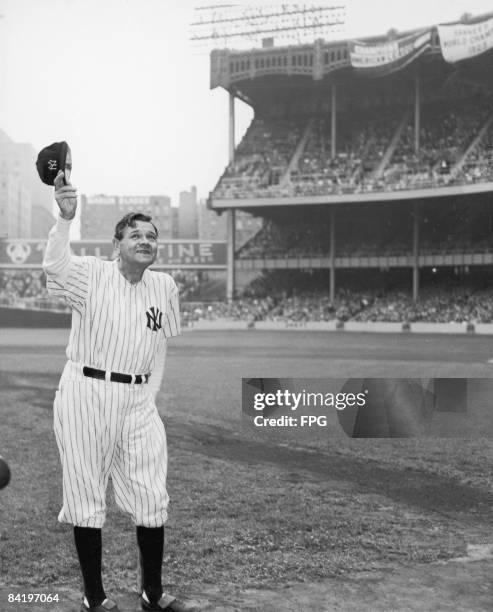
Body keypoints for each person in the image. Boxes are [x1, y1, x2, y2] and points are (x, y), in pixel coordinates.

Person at [43, 171, 197, 612]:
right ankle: (95, 597)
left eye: (152, 236)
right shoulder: (92, 275)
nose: (146, 241)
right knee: (86, 496)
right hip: (85, 394)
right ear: (116, 245)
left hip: (137, 401)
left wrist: (151, 397)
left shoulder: (164, 286)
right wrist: (64, 219)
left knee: (152, 495)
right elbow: (54, 266)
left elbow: (160, 348)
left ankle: (152, 592)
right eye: (135, 235)